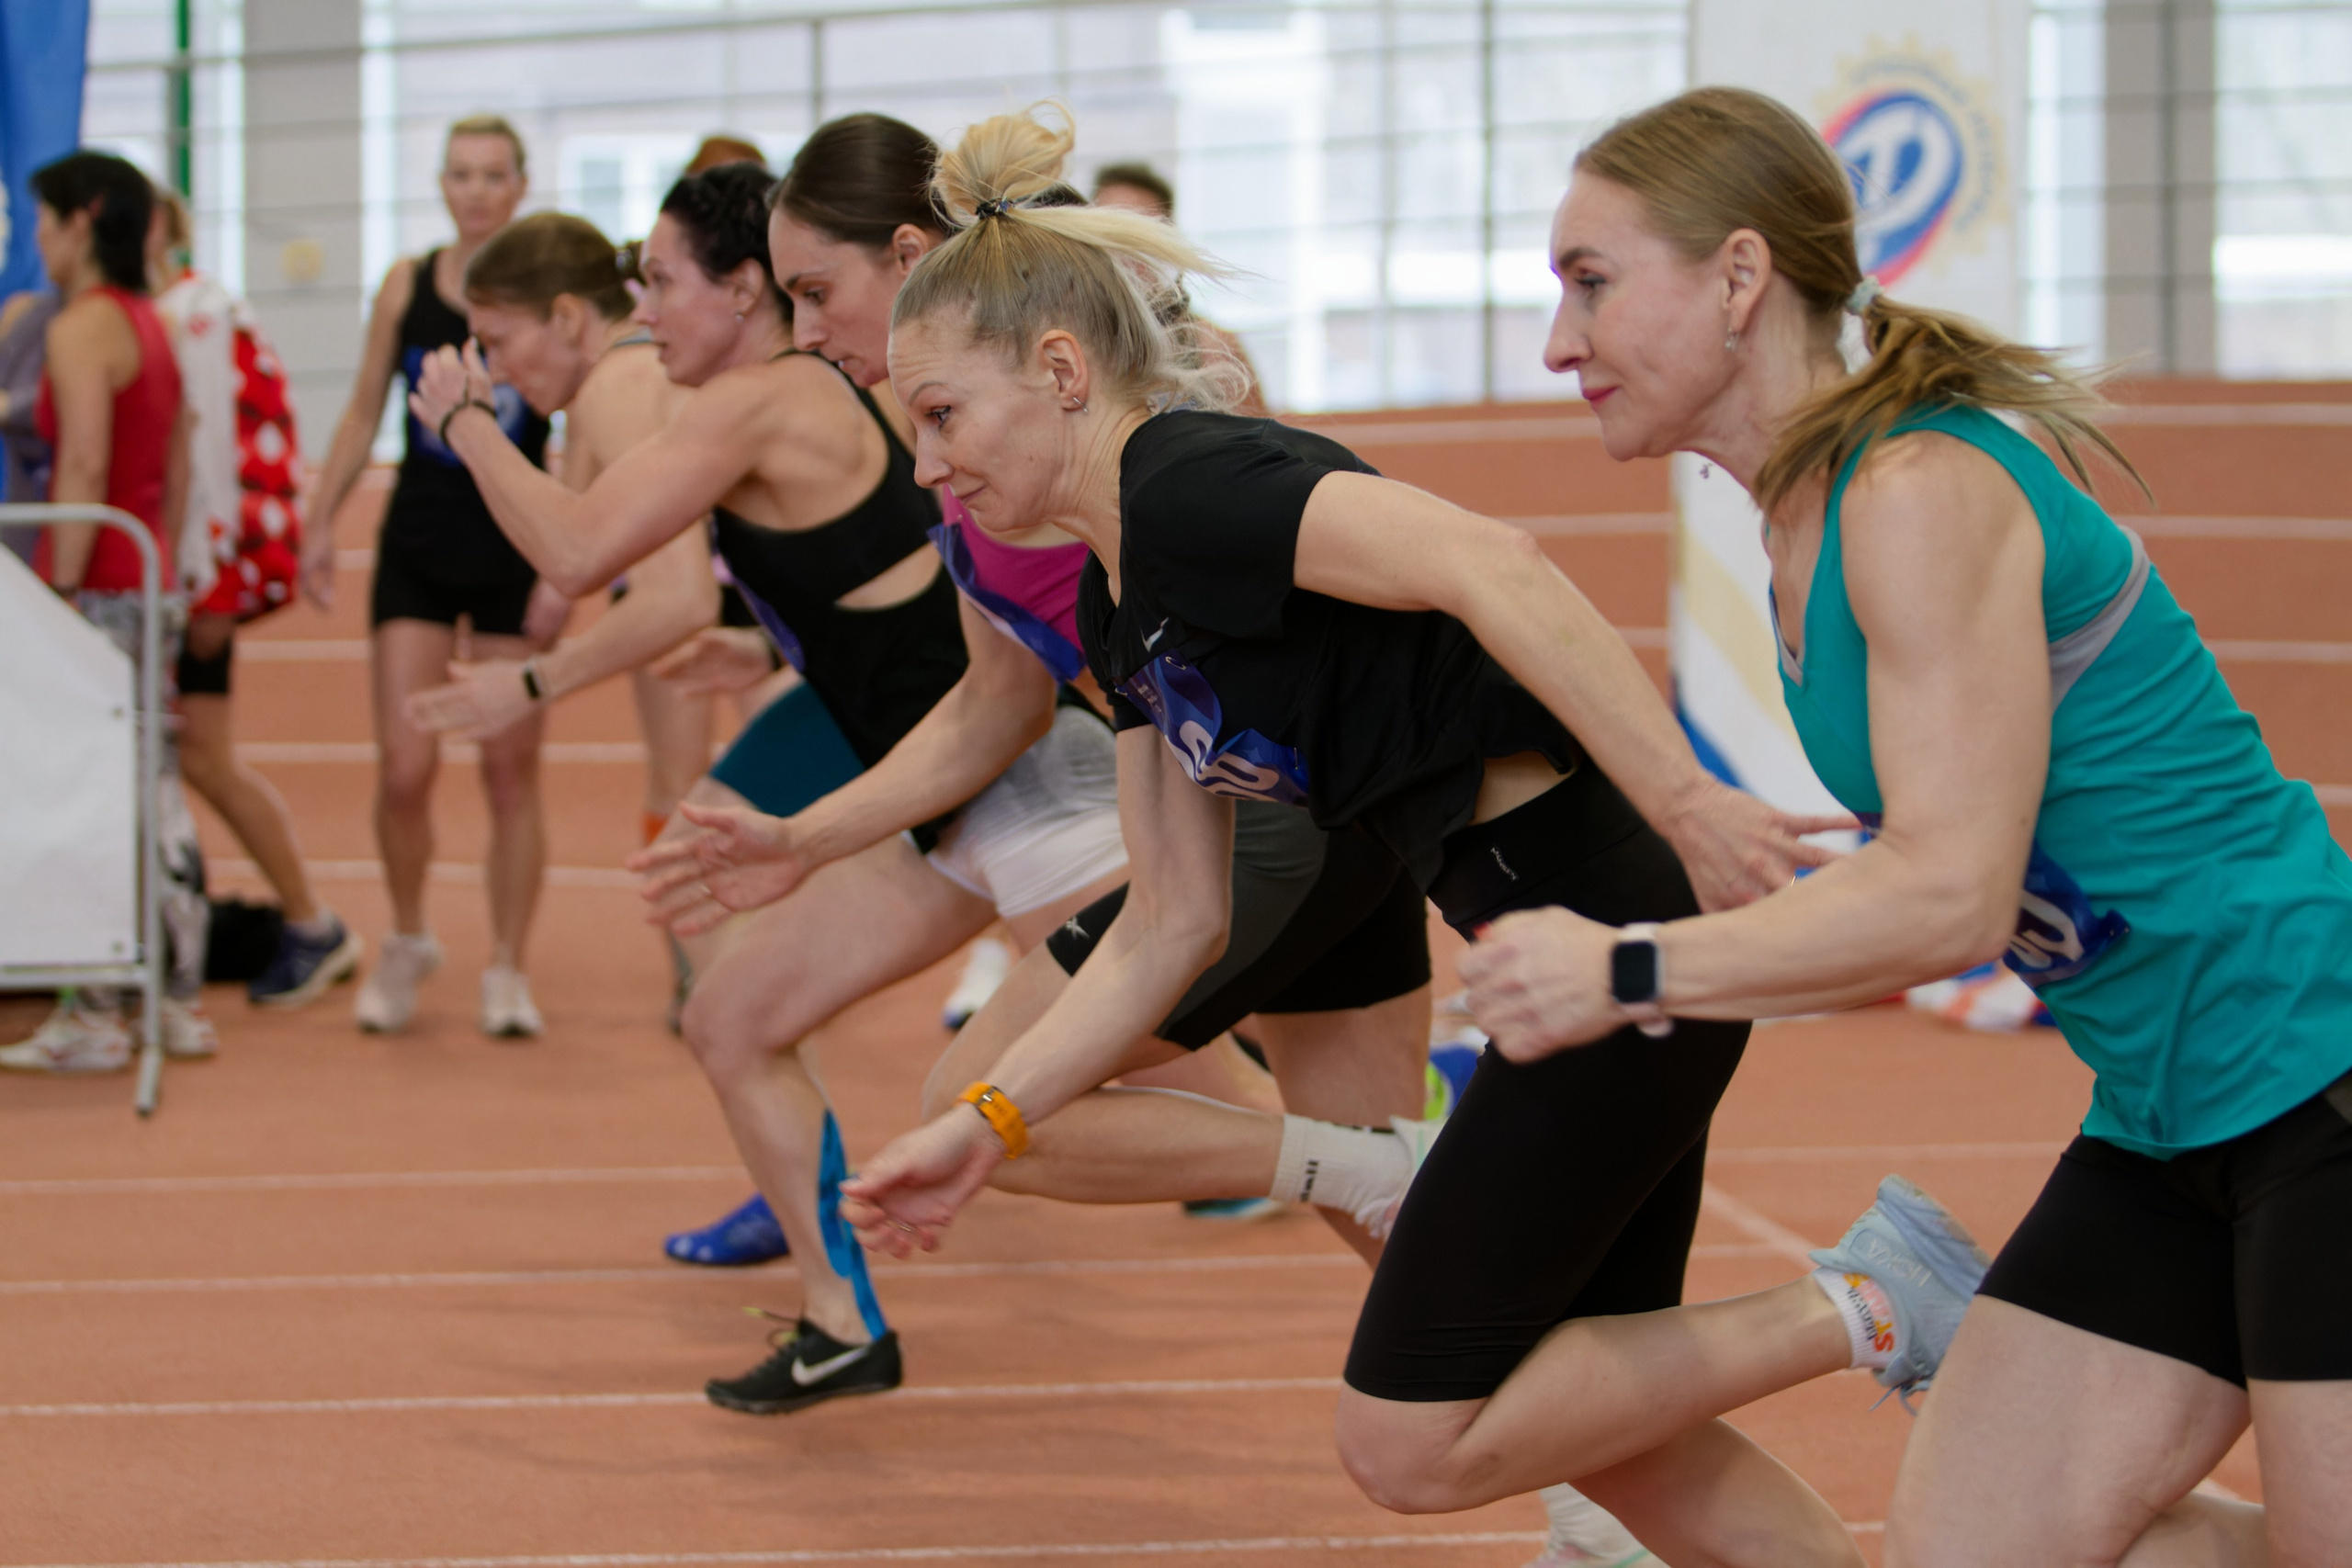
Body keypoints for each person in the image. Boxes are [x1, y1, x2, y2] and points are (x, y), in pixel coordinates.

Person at [830, 104, 1984, 1568]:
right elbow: (1169, 926)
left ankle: (1872, 1299)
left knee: (1412, 1430)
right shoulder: (1121, 601)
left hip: (1605, 938)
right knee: (1613, 1433)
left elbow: (1491, 561)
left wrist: (1689, 799)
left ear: (1061, 372)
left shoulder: (1194, 480)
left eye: (939, 416)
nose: (926, 466)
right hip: (1548, 952)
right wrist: (982, 1124)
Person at [1449, 87, 2352, 1565]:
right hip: (2163, 1115)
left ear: (1740, 278)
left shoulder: (1920, 486)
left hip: (2322, 1075)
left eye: (1591, 282)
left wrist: (1625, 968)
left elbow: (1949, 899)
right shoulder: (1798, 533)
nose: (1560, 344)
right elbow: (1954, 853)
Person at [405, 161, 1133, 1416]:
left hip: (1029, 779)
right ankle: (841, 1319)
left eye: (665, 282)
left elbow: (581, 550)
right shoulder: (765, 396)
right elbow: (863, 570)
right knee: (732, 1014)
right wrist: (774, 641)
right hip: (936, 792)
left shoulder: (752, 398)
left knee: (1168, 1095)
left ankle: (1393, 1139)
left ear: (742, 292)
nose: (645, 308)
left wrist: (468, 420)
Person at [303, 113, 555, 1038]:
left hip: (512, 547)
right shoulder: (407, 286)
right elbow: (362, 406)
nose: (477, 190)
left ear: (521, 185)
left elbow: (590, 423)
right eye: (461, 174)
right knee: (405, 767)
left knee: (508, 768)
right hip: (416, 541)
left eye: (494, 174)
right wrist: (319, 521)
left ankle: (507, 965)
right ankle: (407, 935)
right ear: (442, 187)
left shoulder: (548, 289)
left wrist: (572, 560)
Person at [0, 152, 211, 1072]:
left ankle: (96, 1009)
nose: (33, 240)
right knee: (149, 789)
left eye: (40, 221)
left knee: (94, 792)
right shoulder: (148, 321)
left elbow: (82, 464)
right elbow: (174, 464)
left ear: (81, 221)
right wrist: (153, 574)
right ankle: (172, 999)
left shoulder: (85, 326)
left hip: (93, 585)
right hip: (139, 582)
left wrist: (59, 601)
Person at [147, 187, 361, 1010]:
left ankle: (310, 921)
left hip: (195, 573)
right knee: (186, 757)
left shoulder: (197, 310)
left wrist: (211, 587)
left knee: (201, 754)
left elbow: (208, 449)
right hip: (186, 570)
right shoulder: (182, 308)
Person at [1089, 160, 1269, 418]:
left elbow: (1259, 448)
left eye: (1140, 232)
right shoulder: (1068, 342)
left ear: (1167, 240)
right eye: (1109, 229)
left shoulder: (1212, 348)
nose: (1124, 248)